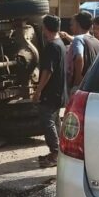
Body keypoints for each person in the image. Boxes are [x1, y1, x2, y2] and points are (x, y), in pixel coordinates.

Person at [32, 15, 67, 168]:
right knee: (55, 120)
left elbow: (47, 71)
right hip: (59, 92)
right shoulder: (60, 43)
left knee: (47, 121)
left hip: (51, 92)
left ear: (45, 28)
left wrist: (38, 90)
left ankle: (55, 152)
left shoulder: (52, 46)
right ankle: (60, 151)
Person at [65, 11, 99, 93]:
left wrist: (77, 79)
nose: (70, 27)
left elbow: (79, 58)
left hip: (81, 86)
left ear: (78, 24)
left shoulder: (78, 39)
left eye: (72, 24)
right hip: (92, 85)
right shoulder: (97, 41)